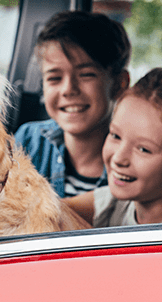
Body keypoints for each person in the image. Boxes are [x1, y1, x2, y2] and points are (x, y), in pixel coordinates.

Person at [63, 68, 162, 226]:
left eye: (143, 149)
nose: (118, 158)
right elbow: (50, 210)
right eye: (115, 136)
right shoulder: (115, 202)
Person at [14, 11, 131, 198]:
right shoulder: (28, 141)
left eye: (86, 75)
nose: (68, 89)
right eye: (54, 78)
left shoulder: (134, 164)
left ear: (119, 84)